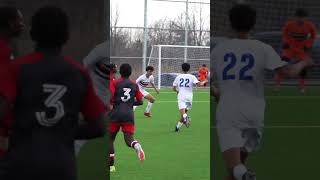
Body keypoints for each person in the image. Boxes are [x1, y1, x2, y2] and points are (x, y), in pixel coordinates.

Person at [0, 6, 105, 180]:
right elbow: (98, 127)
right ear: (66, 36)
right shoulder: (78, 72)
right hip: (61, 167)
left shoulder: (17, 69)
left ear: (32, 34)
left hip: (21, 165)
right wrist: (63, 130)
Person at [211, 4, 312, 180]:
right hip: (254, 112)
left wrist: (216, 93)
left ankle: (245, 175)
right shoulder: (262, 48)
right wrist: (303, 63)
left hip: (229, 110)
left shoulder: (219, 49)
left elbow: (205, 82)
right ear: (254, 24)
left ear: (230, 24)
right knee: (236, 166)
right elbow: (287, 72)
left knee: (236, 167)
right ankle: (242, 174)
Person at [109, 63, 145, 172]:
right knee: (129, 140)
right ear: (130, 73)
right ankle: (136, 145)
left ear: (120, 72)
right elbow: (141, 101)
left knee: (109, 140)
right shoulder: (134, 84)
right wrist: (129, 103)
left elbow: (110, 98)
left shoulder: (115, 83)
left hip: (115, 114)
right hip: (128, 115)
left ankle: (111, 166)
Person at [0, 5, 25, 158]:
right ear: (10, 23)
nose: (23, 25)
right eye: (20, 21)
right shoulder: (3, 52)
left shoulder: (8, 50)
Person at [274, 8, 317, 93]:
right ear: (295, 17)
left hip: (301, 50)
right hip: (290, 48)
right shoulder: (289, 25)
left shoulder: (310, 25)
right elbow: (284, 33)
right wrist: (285, 41)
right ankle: (277, 85)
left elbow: (313, 35)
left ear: (306, 18)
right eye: (299, 17)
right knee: (282, 64)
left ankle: (301, 86)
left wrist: (308, 44)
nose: (301, 19)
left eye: (303, 17)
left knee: (303, 67)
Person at [173, 63, 207, 132]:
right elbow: (199, 85)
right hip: (189, 97)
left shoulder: (178, 77)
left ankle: (186, 118)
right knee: (184, 113)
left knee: (183, 114)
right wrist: (205, 81)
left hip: (181, 96)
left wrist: (177, 91)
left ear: (182, 69)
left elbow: (173, 88)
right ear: (189, 69)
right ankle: (177, 127)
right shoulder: (192, 76)